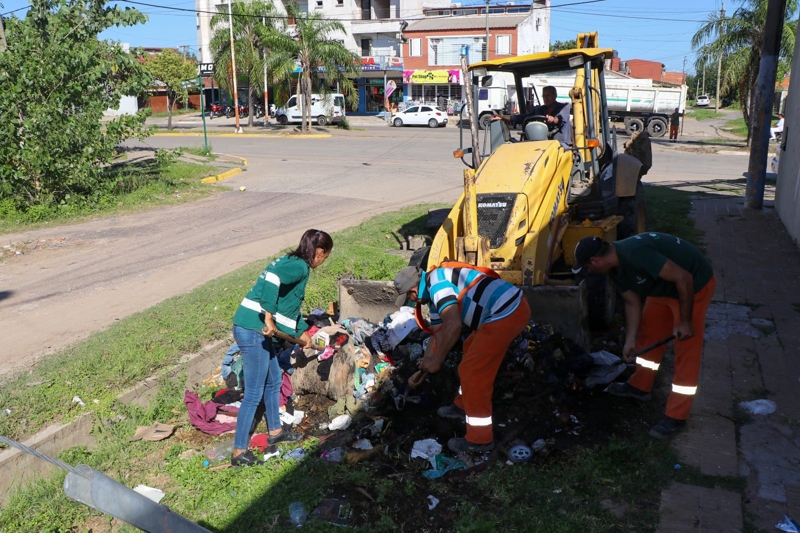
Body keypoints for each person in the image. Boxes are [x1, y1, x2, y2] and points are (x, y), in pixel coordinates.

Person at [571, 233, 716, 439]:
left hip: (692, 286)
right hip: (663, 289)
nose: (589, 271)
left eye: (587, 267)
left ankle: (677, 416)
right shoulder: (614, 269)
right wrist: (630, 342)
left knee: (686, 352)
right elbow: (632, 302)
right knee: (647, 335)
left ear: (595, 260)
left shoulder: (636, 254)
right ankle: (639, 386)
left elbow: (684, 278)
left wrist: (685, 321)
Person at [393, 264, 531, 453]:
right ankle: (463, 405)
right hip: (499, 313)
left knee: (473, 372)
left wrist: (437, 361)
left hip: (506, 313)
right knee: (469, 350)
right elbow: (438, 335)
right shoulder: (433, 297)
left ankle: (479, 440)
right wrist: (423, 368)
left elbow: (453, 325)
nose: (412, 301)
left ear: (413, 291)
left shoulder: (437, 285)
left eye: (409, 297)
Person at [229, 229, 333, 466]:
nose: (322, 261)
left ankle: (275, 432)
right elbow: (272, 279)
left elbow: (288, 309)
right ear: (319, 252)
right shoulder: (299, 267)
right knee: (254, 392)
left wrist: (303, 334)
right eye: (324, 257)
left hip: (255, 328)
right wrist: (267, 317)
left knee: (274, 378)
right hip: (253, 329)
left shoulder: (293, 261)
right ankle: (238, 452)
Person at [495, 86, 571, 144]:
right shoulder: (539, 110)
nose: (545, 98)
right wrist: (502, 117)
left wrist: (553, 119)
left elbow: (560, 118)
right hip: (541, 144)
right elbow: (523, 117)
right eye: (544, 96)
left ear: (555, 95)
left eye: (548, 95)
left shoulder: (564, 107)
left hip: (560, 145)